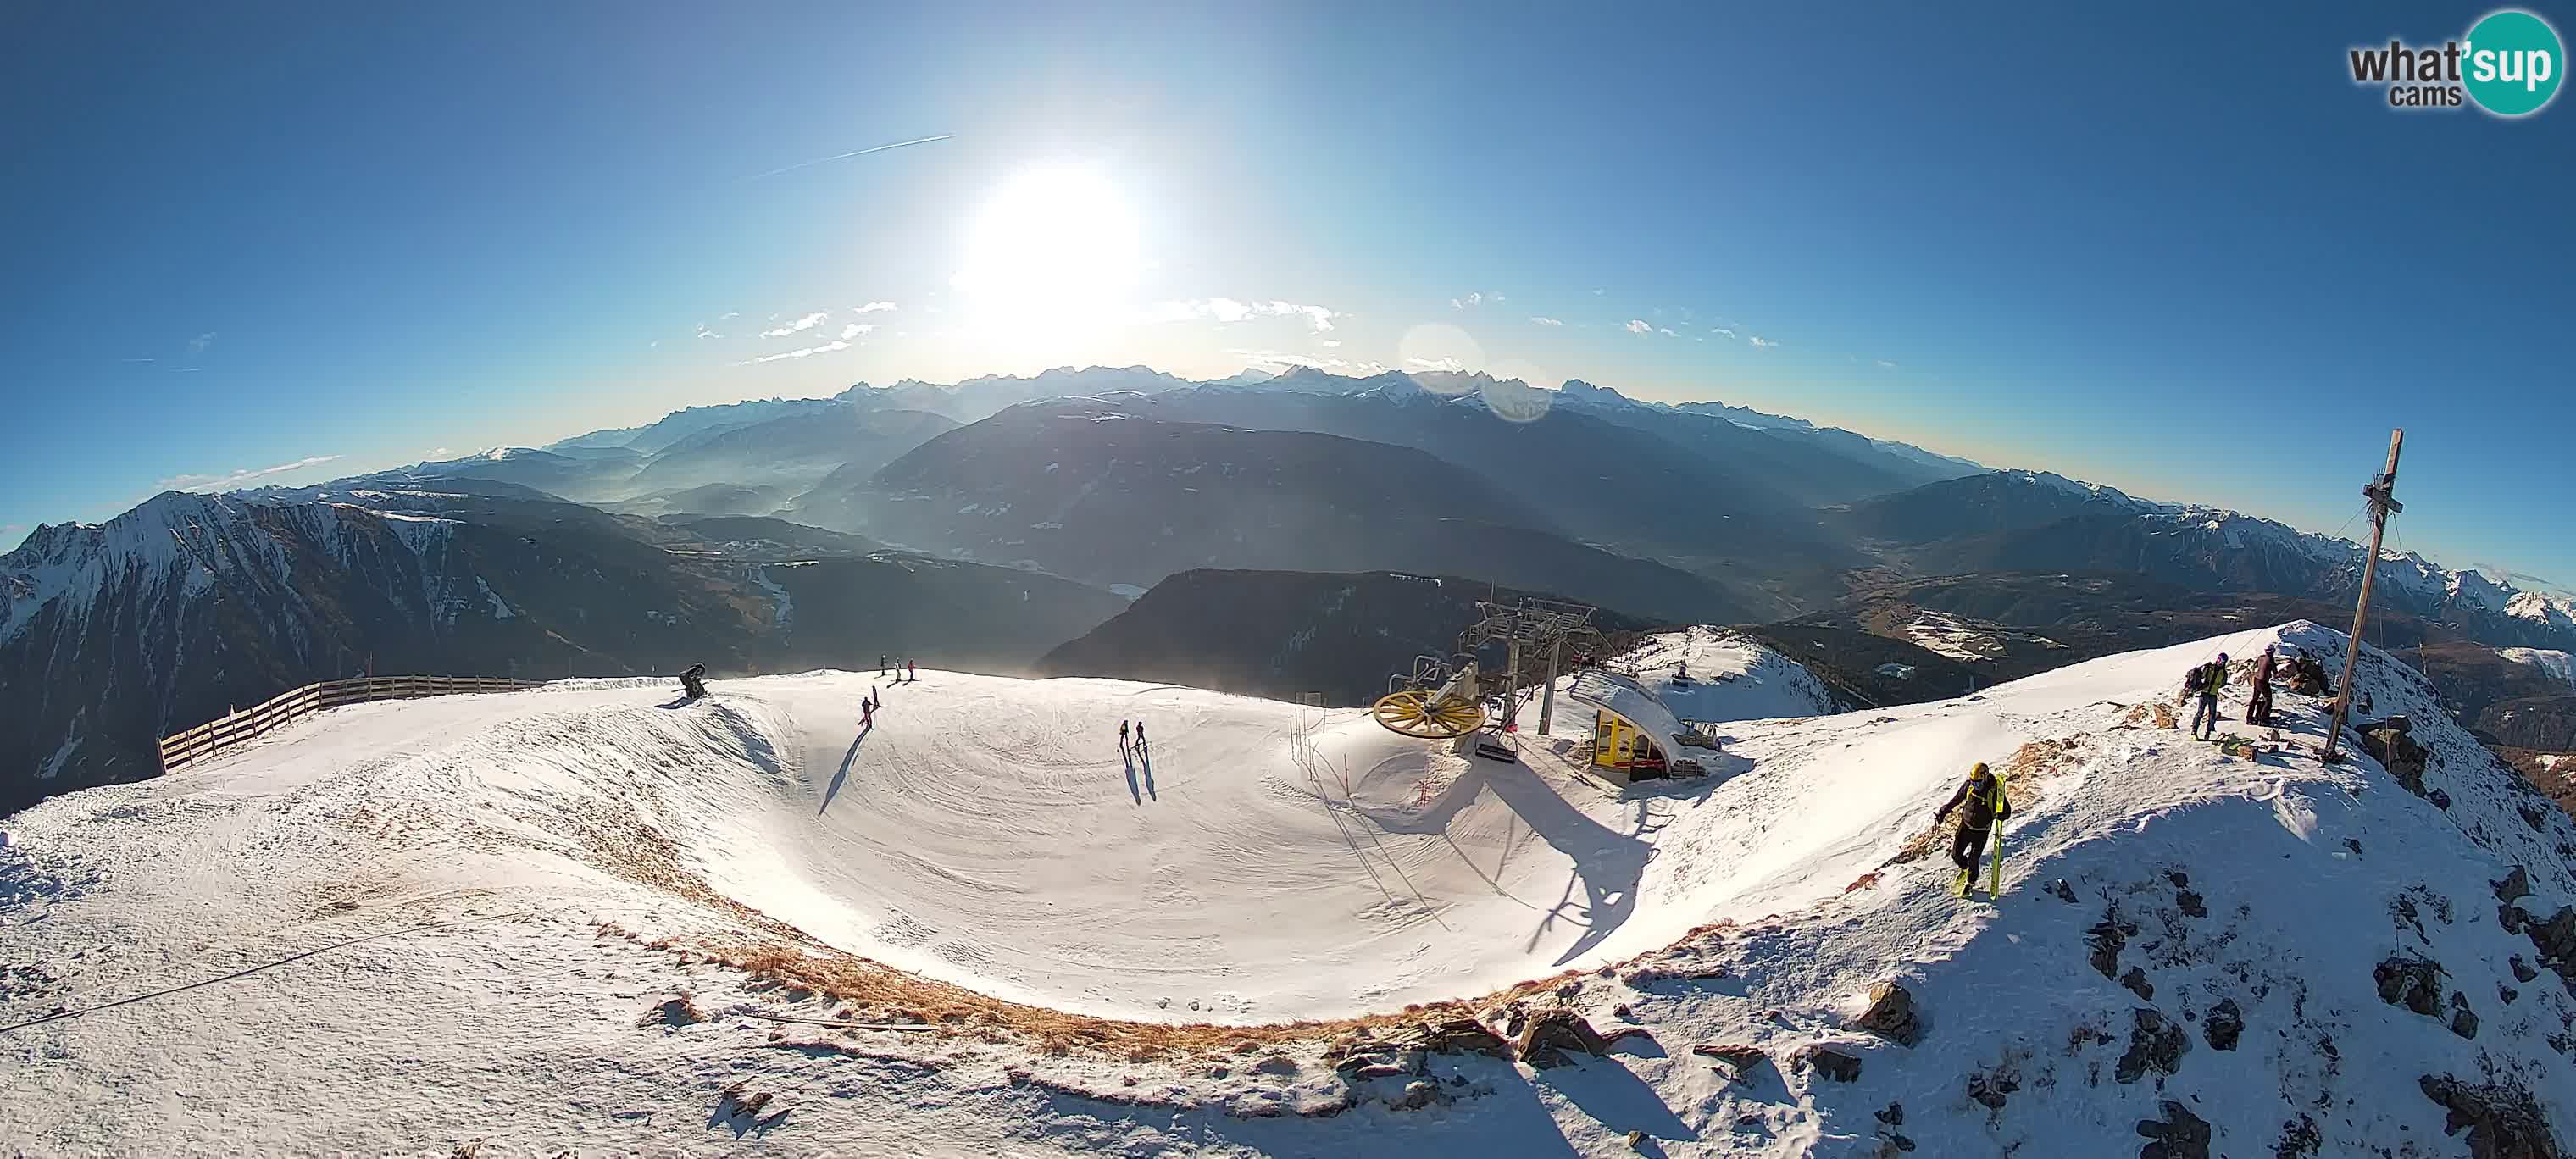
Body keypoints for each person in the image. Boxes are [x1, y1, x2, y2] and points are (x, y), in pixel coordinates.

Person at [1931, 762, 2011, 878]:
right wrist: (1943, 812)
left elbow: (2006, 812)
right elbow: (1956, 800)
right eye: (1973, 782)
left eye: (1978, 783)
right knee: (1956, 855)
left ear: (1984, 778)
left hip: (1982, 831)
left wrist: (2000, 815)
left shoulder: (1995, 792)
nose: (1975, 785)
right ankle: (1965, 868)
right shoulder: (1969, 786)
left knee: (1974, 859)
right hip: (1965, 826)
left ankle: (1971, 880)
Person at [2185, 653, 2228, 739]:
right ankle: (2194, 731)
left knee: (2212, 715)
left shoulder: (2223, 673)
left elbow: (2223, 683)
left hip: (2213, 695)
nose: (2220, 662)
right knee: (2200, 713)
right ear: (2217, 659)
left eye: (2223, 661)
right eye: (2220, 660)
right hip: (2205, 693)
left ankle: (2208, 732)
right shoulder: (2209, 668)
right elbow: (2201, 675)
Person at [2246, 646, 2277, 725]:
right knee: (2268, 700)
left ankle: (2249, 717)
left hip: (2256, 679)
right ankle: (2263, 719)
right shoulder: (2271, 660)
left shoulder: (2261, 657)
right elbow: (2276, 673)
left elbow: (2257, 666)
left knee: (2255, 699)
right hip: (2263, 682)